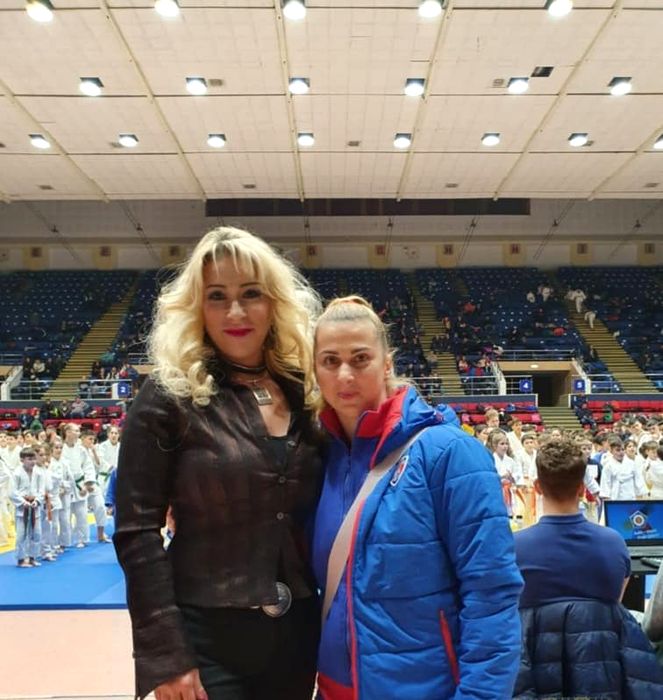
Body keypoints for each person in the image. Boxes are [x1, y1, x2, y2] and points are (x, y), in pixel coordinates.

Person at [113, 227, 324, 700]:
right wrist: (166, 655)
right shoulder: (167, 397)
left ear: (274, 302)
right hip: (204, 641)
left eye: (251, 293)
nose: (235, 312)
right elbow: (137, 531)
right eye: (217, 296)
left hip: (297, 637)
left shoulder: (306, 392)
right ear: (197, 307)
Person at [312, 296, 523, 700]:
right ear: (315, 370)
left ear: (386, 364)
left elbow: (492, 594)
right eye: (330, 361)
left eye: (360, 359)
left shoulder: (449, 454)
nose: (344, 375)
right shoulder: (318, 459)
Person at [513, 439, 663, 698]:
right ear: (583, 490)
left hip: (534, 673)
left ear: (537, 487)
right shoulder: (614, 543)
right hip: (603, 672)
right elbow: (614, 605)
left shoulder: (514, 547)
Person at [10, 447, 46, 568]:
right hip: (22, 509)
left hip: (35, 508)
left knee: (37, 534)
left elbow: (42, 490)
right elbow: (12, 492)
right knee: (21, 535)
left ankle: (32, 557)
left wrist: (37, 500)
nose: (33, 462)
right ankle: (21, 560)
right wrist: (22, 501)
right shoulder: (16, 473)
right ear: (22, 460)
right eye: (29, 459)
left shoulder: (39, 473)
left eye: (34, 459)